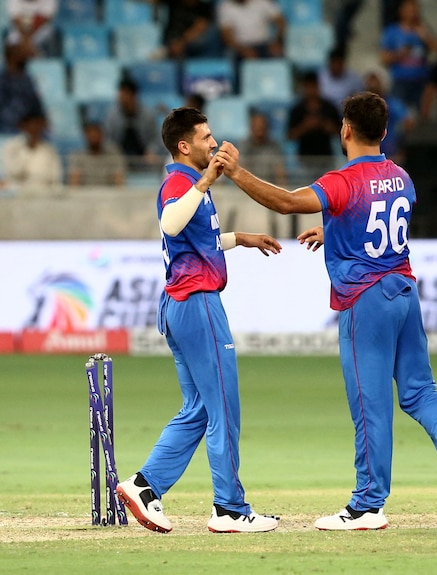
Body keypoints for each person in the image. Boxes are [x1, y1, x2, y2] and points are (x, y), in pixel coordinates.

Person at [213, 91, 437, 531]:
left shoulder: (341, 182)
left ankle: (367, 505)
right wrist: (337, 230)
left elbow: (285, 201)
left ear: (345, 130)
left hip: (366, 301)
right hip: (405, 294)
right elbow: (378, 222)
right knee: (419, 390)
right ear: (384, 131)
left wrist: (237, 172)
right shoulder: (402, 177)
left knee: (369, 405)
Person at [116, 106, 282, 534]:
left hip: (180, 305)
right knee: (224, 407)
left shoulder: (190, 185)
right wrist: (209, 178)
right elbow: (171, 224)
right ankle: (229, 509)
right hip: (198, 305)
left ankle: (144, 486)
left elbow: (197, 241)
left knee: (199, 409)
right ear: (184, 146)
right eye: (206, 137)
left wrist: (239, 239)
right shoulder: (181, 181)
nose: (214, 143)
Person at [287, 72, 342, 171]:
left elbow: (340, 132)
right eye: (308, 87)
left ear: (318, 86)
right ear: (304, 87)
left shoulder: (329, 108)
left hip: (327, 158)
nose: (311, 90)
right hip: (304, 159)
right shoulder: (297, 110)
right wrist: (305, 126)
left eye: (314, 86)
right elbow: (290, 136)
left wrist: (324, 125)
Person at [103, 78, 162, 171]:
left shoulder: (148, 115)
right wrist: (114, 153)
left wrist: (151, 151)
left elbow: (155, 139)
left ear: (133, 95)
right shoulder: (112, 116)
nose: (121, 97)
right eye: (120, 94)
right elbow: (108, 139)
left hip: (144, 159)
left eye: (124, 94)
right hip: (119, 158)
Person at [217, 0, 285, 61]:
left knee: (277, 54)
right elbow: (226, 36)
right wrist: (243, 50)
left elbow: (281, 22)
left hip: (264, 44)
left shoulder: (263, 2)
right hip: (241, 46)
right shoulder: (225, 7)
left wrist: (277, 42)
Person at [0, 43, 45, 134]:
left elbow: (35, 102)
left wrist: (41, 119)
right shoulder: (2, 78)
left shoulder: (26, 78)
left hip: (27, 125)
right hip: (6, 124)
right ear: (10, 57)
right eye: (19, 54)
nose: (23, 57)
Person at [67, 122, 127, 187]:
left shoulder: (114, 156)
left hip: (109, 195)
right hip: (84, 195)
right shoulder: (77, 157)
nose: (94, 137)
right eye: (91, 134)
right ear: (86, 136)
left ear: (102, 135)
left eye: (96, 134)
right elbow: (74, 185)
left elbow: (120, 183)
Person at [318, 44, 364, 111]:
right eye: (334, 63)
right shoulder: (320, 77)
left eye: (339, 63)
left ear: (343, 63)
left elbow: (360, 100)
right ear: (330, 63)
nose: (336, 66)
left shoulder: (354, 79)